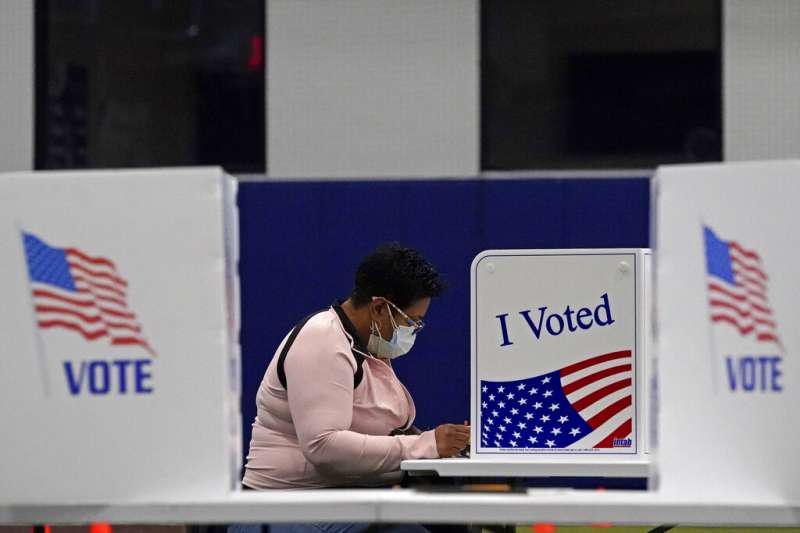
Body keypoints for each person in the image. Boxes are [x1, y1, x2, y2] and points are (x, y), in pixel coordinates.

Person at [242, 243, 470, 491]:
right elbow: (323, 447)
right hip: (285, 507)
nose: (414, 330)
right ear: (380, 308)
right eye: (412, 321)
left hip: (340, 498)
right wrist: (426, 445)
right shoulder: (323, 340)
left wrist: (450, 441)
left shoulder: (368, 347)